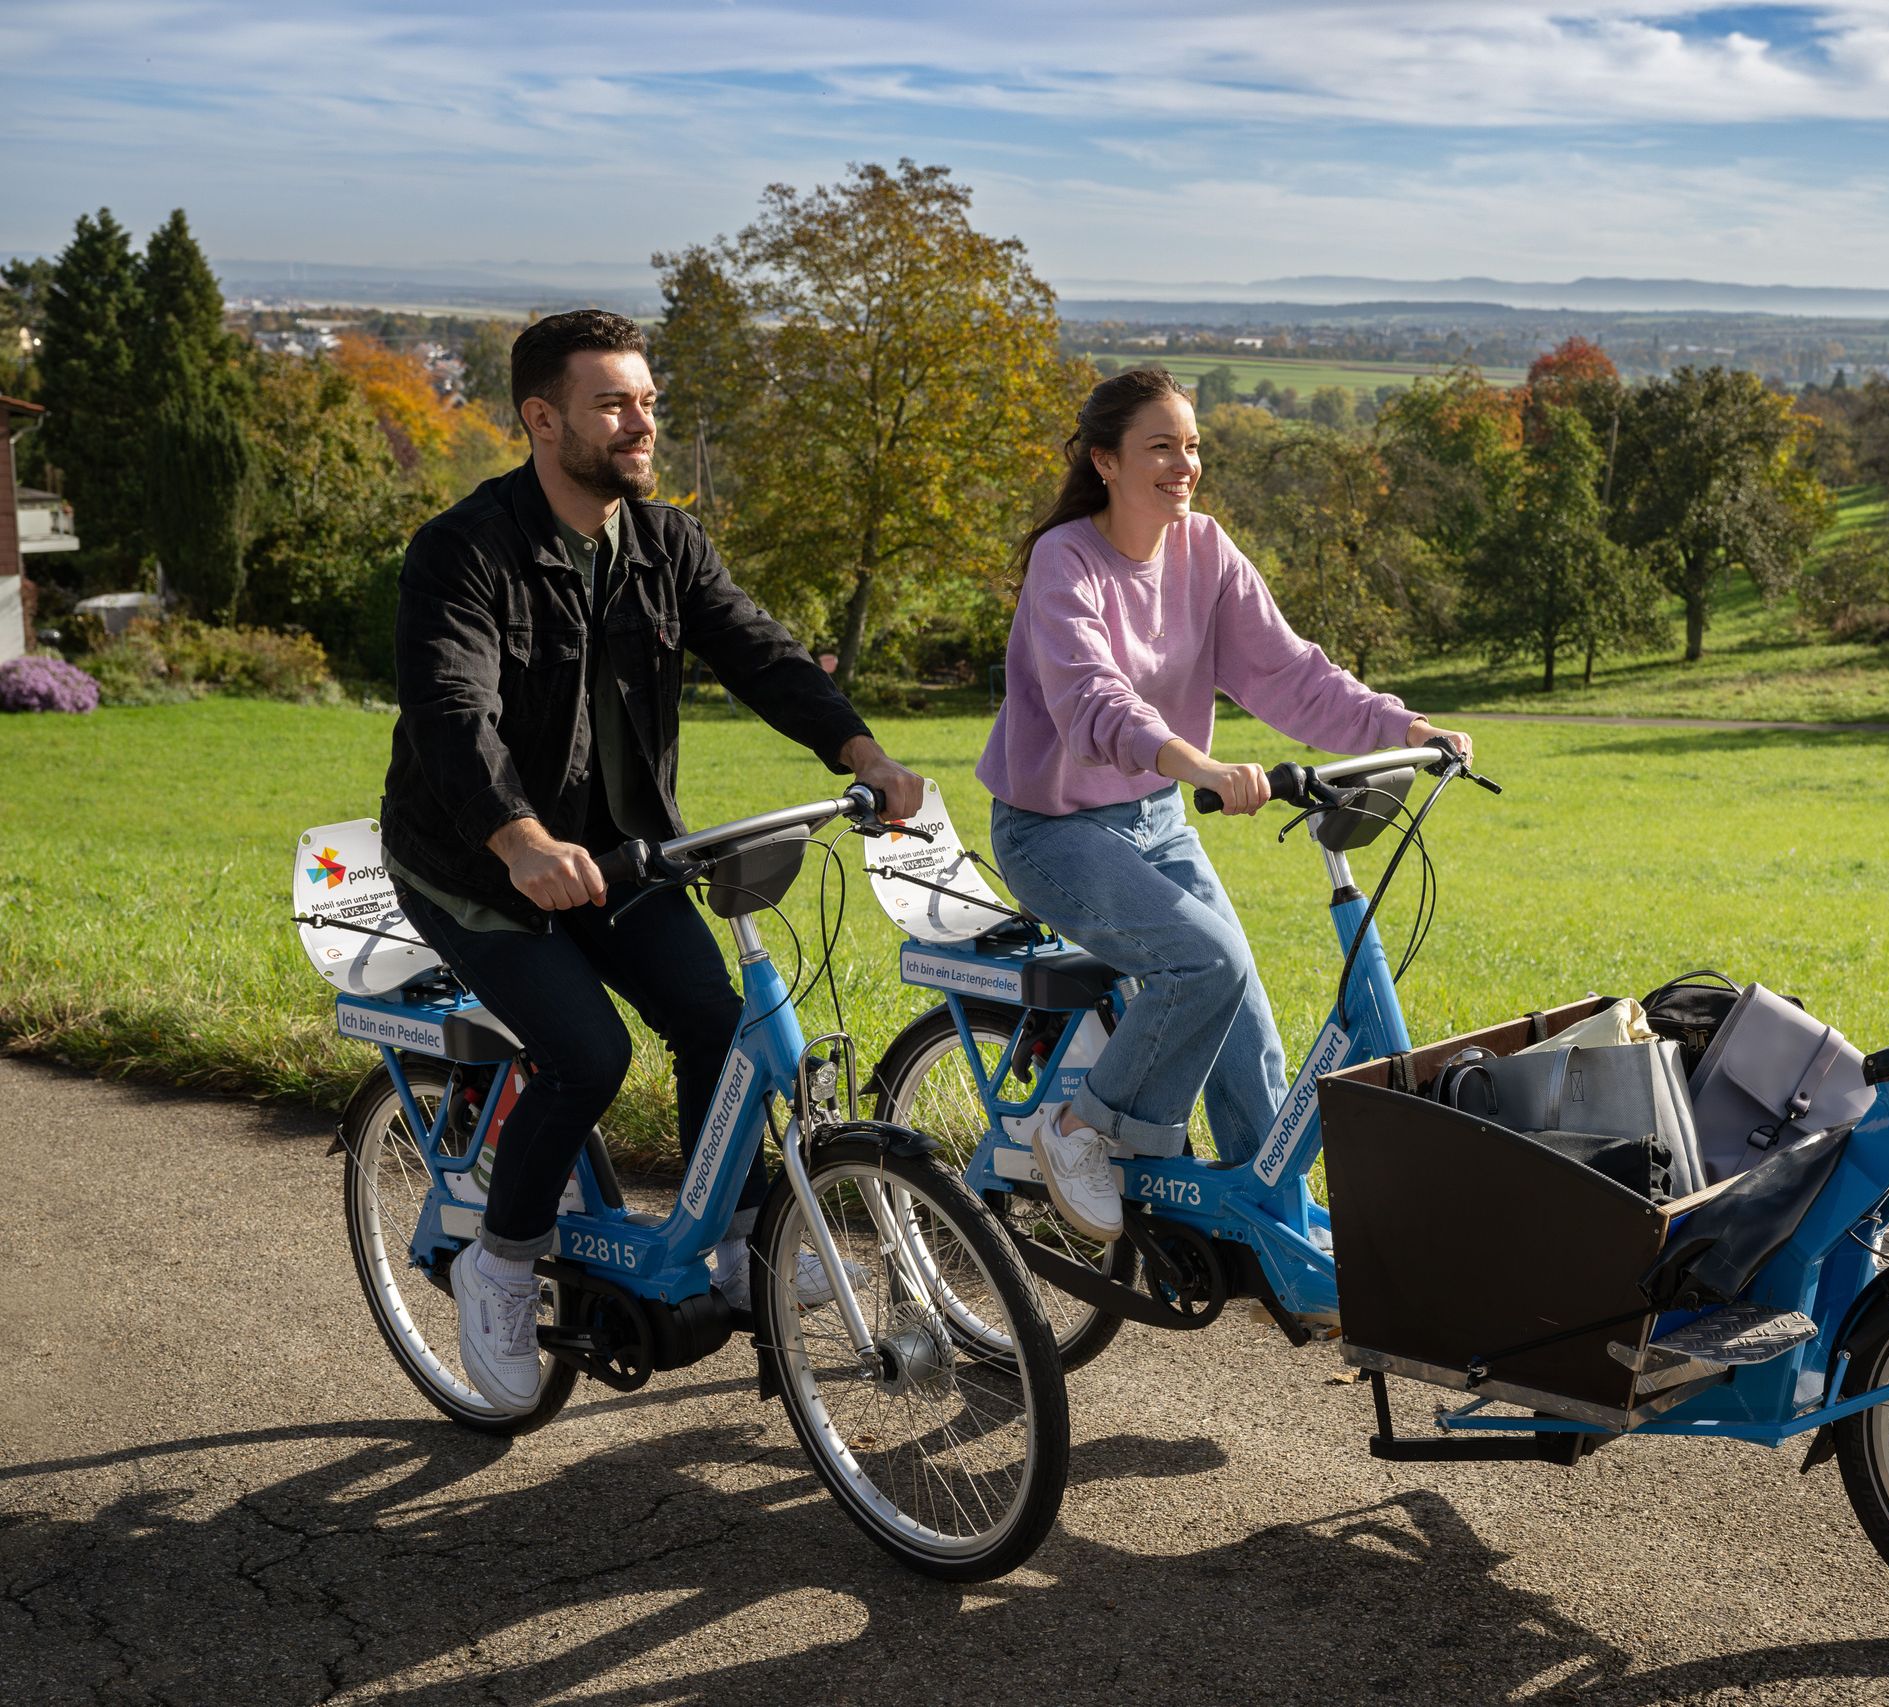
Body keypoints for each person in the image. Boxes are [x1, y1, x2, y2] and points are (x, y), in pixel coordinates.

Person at [382, 309, 926, 1414]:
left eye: (648, 403)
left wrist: (861, 750)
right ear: (542, 419)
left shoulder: (665, 543)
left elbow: (762, 652)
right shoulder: (464, 549)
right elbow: (453, 713)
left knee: (718, 1027)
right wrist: (519, 836)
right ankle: (502, 1258)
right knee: (585, 1055)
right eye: (614, 405)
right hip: (478, 867)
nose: (642, 425)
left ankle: (733, 1240)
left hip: (625, 860)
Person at [977, 368, 1470, 1243]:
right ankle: (1080, 1128)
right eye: (1160, 446)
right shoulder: (1067, 562)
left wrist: (1404, 725)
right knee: (1206, 964)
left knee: (1249, 1018)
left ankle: (1258, 1207)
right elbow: (1093, 701)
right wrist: (1196, 760)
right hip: (1053, 829)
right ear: (1106, 461)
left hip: (1155, 817)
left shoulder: (1205, 551)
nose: (1184, 464)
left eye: (1192, 445)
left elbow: (1290, 672)